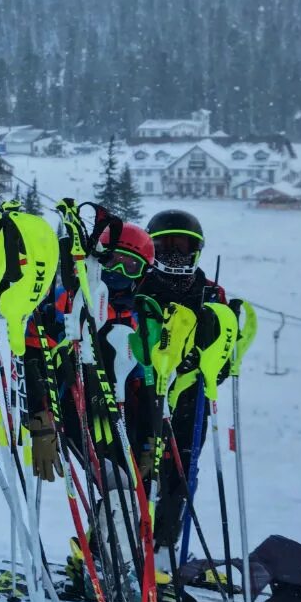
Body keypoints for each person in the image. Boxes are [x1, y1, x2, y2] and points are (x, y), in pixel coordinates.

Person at [130, 209, 226, 567]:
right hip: (144, 393)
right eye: (164, 245)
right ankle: (126, 541)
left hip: (189, 397)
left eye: (180, 246)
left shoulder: (211, 293)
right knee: (136, 469)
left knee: (181, 472)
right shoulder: (141, 286)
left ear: (195, 250)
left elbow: (222, 358)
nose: (173, 254)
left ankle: (165, 548)